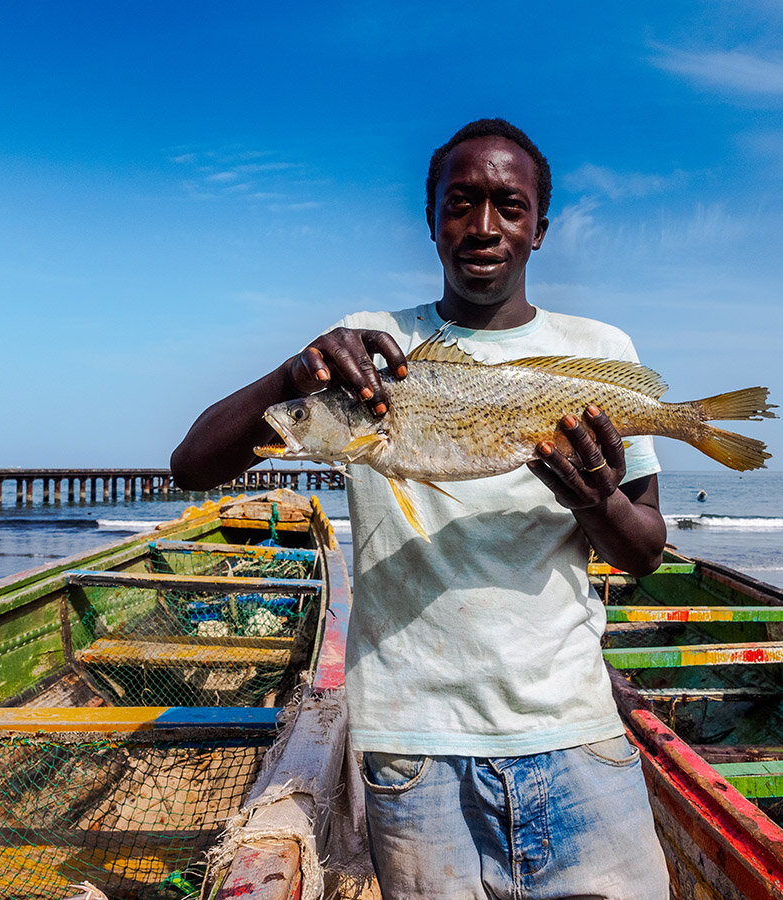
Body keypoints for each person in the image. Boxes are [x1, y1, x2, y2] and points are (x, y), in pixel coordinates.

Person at [172, 118, 670, 899]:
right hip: (413, 748)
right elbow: (193, 467)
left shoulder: (600, 351)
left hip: (578, 732)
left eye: (509, 206)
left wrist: (599, 499)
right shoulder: (368, 352)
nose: (483, 226)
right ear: (430, 217)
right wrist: (289, 379)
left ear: (541, 225)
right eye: (460, 202)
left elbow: (643, 551)